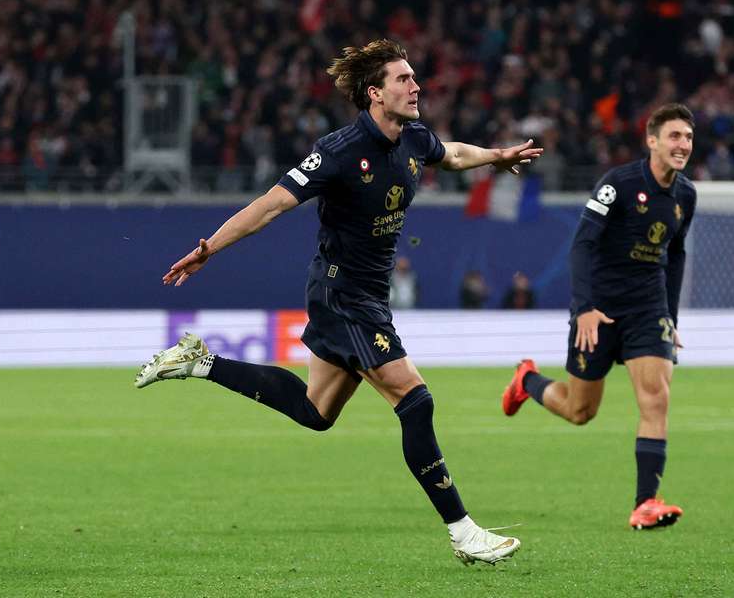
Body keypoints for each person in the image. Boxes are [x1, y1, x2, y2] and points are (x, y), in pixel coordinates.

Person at [134, 39, 542, 564]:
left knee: (316, 411)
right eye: (403, 79)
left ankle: (200, 362)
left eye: (414, 77)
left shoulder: (414, 136)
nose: (416, 87)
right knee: (416, 401)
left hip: (369, 295)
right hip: (343, 294)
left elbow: (455, 154)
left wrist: (498, 154)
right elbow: (270, 206)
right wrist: (209, 248)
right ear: (374, 93)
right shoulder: (339, 151)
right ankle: (464, 532)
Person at [501, 103, 696, 530]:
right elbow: (583, 245)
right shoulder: (619, 185)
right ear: (652, 141)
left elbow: (676, 254)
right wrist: (585, 308)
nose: (683, 145)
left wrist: (671, 316)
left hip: (648, 310)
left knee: (656, 399)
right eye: (675, 136)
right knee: (579, 411)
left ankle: (646, 502)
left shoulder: (685, 195)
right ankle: (527, 381)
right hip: (600, 311)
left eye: (688, 137)